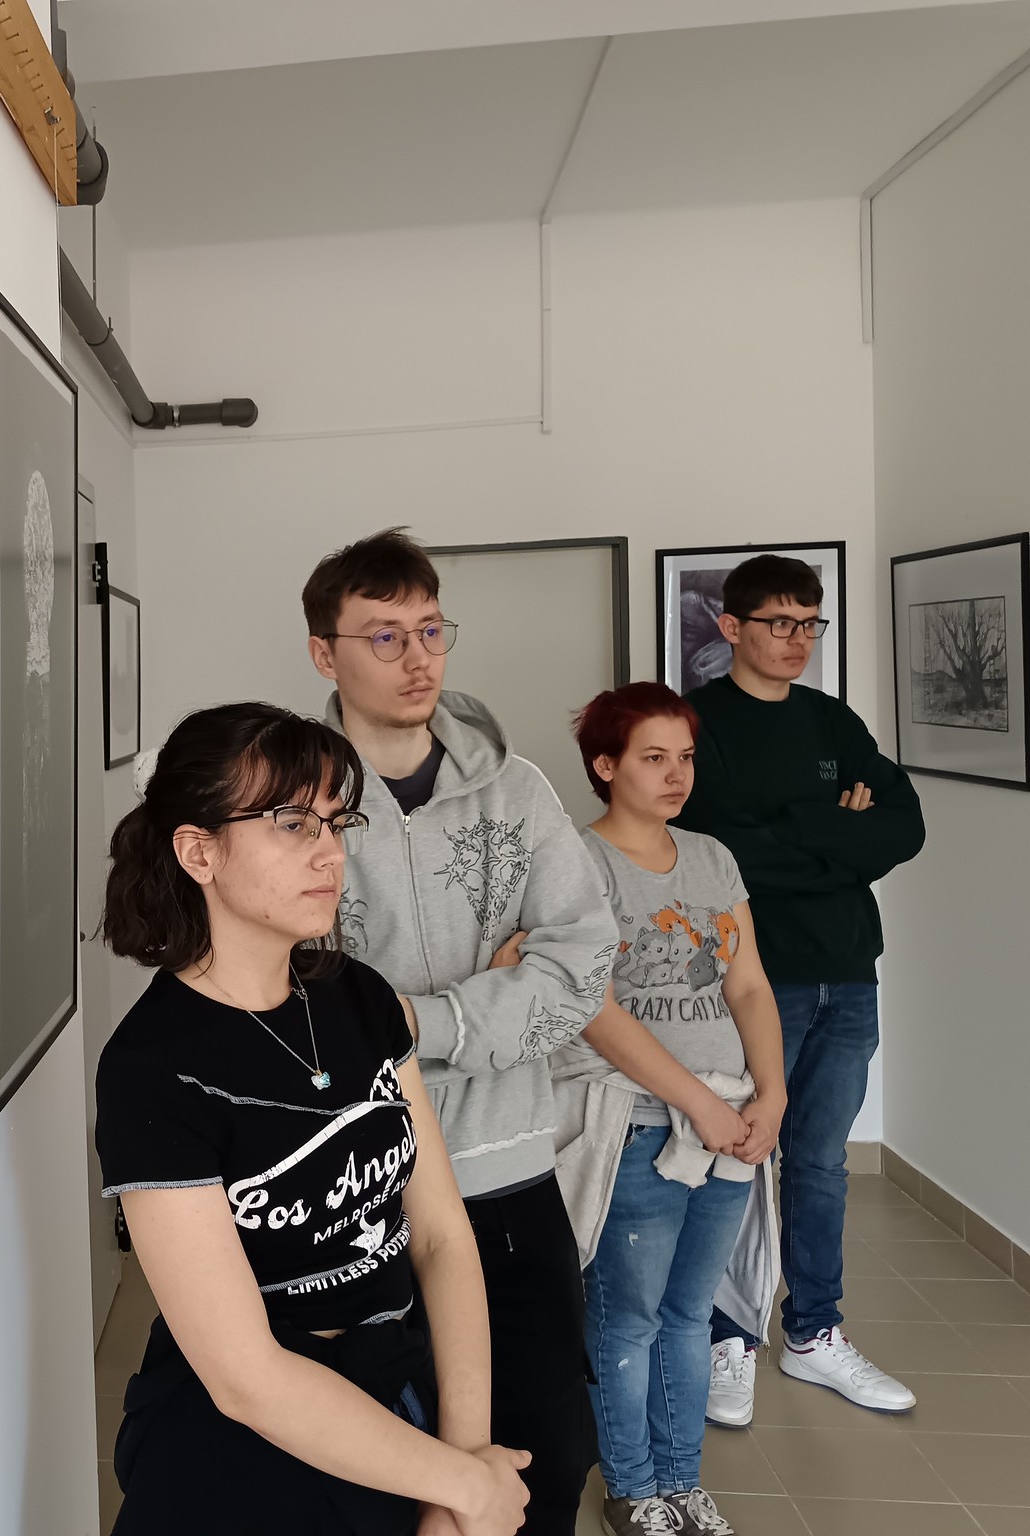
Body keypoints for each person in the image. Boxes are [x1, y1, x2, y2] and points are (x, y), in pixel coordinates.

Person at [96, 702, 533, 1536]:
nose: (331, 853)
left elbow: (441, 1235)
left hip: (394, 1395)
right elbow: (246, 1378)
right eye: (293, 824)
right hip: (245, 1452)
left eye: (337, 823)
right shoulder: (153, 1069)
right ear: (199, 851)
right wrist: (466, 1486)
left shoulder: (357, 997)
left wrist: (463, 1466)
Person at [303, 528, 617, 1535]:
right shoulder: (294, 800)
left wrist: (416, 1017)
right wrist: (497, 986)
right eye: (384, 636)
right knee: (376, 1462)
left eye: (431, 630)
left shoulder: (517, 792)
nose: (417, 657)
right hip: (353, 1181)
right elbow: (288, 992)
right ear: (324, 653)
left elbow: (580, 967)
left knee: (545, 1451)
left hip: (505, 1171)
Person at [674, 555, 926, 1424]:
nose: (798, 640)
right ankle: (726, 1337)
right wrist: (836, 837)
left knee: (819, 1164)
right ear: (732, 628)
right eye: (779, 622)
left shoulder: (832, 721)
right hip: (752, 977)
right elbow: (716, 850)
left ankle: (814, 1334)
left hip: (847, 972)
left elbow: (904, 827)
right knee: (736, 1156)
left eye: (810, 623)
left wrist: (796, 833)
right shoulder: (699, 725)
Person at [550, 683, 786, 1536]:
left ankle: (683, 1482)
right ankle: (633, 1488)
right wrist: (698, 1105)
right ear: (606, 765)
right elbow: (595, 1008)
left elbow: (747, 983)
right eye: (653, 758)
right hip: (639, 1126)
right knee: (629, 1318)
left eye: (684, 757)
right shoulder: (578, 863)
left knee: (692, 1315)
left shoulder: (712, 858)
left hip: (731, 1123)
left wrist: (773, 1093)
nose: (676, 774)